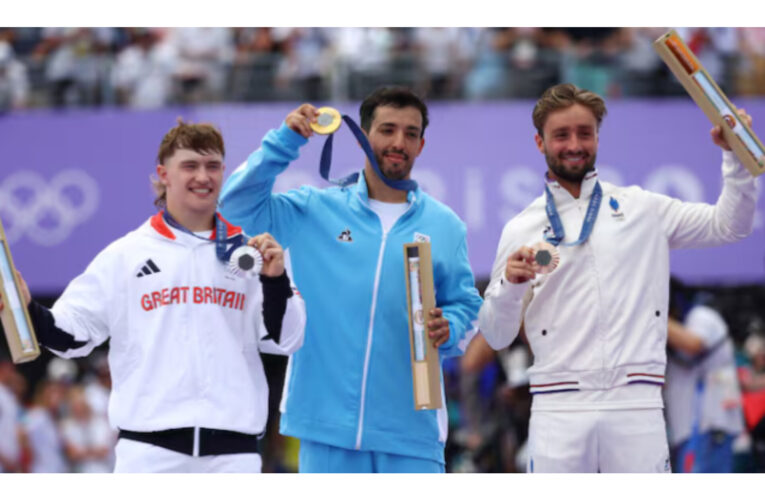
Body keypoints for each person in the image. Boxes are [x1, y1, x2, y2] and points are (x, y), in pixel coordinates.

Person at [478, 83, 758, 473]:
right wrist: (510, 285)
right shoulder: (520, 227)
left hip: (636, 402)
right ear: (539, 142)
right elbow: (495, 335)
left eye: (584, 133)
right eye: (561, 135)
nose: (574, 144)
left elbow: (730, 226)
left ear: (597, 137)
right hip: (558, 407)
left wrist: (736, 160)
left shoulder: (642, 208)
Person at [1, 119, 306, 473]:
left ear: (223, 171)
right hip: (148, 456)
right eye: (189, 166)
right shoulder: (126, 254)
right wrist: (27, 308)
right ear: (164, 173)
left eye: (212, 166)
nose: (203, 177)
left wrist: (275, 280)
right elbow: (73, 336)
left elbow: (288, 339)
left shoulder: (253, 253)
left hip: (233, 457)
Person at [220, 85, 483, 473]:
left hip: (411, 434)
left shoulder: (445, 226)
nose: (399, 142)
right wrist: (285, 142)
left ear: (421, 145)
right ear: (362, 135)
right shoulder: (316, 208)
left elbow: (466, 305)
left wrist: (452, 325)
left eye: (411, 134)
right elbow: (235, 206)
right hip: (326, 431)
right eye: (387, 129)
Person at [664, 281, 744, 473]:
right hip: (688, 429)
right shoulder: (681, 323)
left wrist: (650, 313)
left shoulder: (701, 316)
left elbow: (693, 344)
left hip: (709, 424)